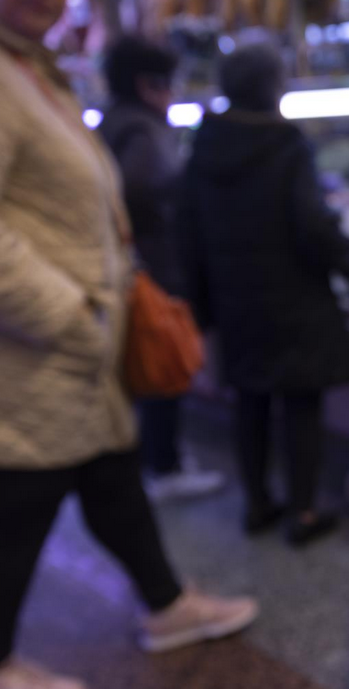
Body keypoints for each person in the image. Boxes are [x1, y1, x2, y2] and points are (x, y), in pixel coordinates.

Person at [0, 0, 258, 689]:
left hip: (54, 353)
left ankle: (167, 604)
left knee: (111, 475)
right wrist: (66, 313)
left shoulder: (12, 57)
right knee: (6, 516)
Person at [179, 45, 349, 546]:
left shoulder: (204, 144)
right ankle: (303, 512)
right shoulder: (285, 144)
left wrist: (202, 305)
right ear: (273, 86)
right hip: (293, 298)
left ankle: (257, 503)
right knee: (301, 402)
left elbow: (188, 230)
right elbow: (312, 224)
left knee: (250, 402)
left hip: (234, 299)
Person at [99, 36, 224, 502]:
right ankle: (164, 466)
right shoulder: (143, 131)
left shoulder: (113, 122)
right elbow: (144, 192)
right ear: (147, 84)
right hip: (154, 269)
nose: (173, 93)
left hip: (132, 267)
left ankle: (155, 455)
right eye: (168, 83)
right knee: (162, 365)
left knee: (146, 367)